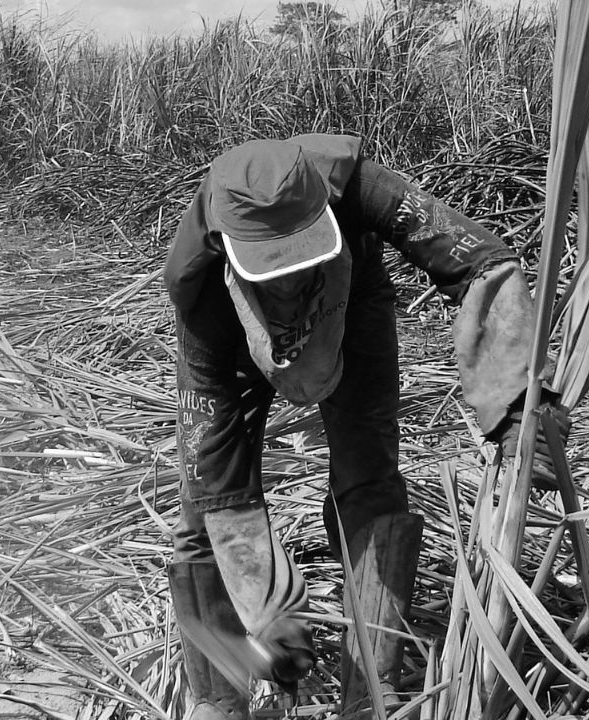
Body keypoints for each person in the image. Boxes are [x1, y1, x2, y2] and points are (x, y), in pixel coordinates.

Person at [163, 133, 562, 719]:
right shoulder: (201, 294)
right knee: (202, 512)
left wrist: (516, 395)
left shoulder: (357, 188)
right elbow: (222, 486)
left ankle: (371, 693)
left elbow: (483, 261)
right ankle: (219, 700)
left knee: (369, 480)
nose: (292, 283)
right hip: (240, 336)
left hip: (350, 306)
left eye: (303, 259)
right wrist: (268, 610)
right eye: (275, 268)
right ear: (228, 247)